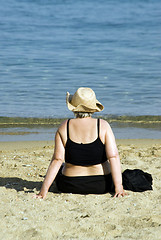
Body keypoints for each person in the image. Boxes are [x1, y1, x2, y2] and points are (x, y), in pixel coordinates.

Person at [35, 87, 126, 199]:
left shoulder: (64, 126)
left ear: (73, 108)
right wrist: (119, 187)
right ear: (93, 108)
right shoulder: (103, 125)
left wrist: (43, 191)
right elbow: (113, 156)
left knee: (61, 167)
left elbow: (57, 160)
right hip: (101, 185)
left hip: (70, 185)